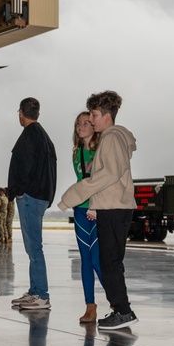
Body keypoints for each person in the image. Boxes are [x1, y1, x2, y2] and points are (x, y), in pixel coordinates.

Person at [59, 91, 139, 330]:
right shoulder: (111, 137)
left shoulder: (112, 138)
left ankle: (123, 312)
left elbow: (109, 174)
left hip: (113, 207)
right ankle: (121, 310)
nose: (91, 120)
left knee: (110, 262)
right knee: (109, 261)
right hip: (112, 206)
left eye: (93, 115)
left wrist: (74, 194)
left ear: (106, 115)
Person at [7, 97, 58, 311]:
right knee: (32, 248)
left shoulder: (30, 136)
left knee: (34, 248)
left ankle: (42, 295)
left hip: (30, 197)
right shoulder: (43, 136)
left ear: (21, 113)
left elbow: (25, 167)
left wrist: (19, 192)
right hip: (40, 197)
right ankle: (35, 291)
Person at [69, 112, 105, 324]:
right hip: (81, 211)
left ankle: (118, 304)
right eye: (78, 123)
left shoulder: (102, 151)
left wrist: (95, 205)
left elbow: (102, 181)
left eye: (86, 123)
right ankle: (90, 307)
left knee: (97, 260)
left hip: (97, 210)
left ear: (94, 126)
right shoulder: (76, 152)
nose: (81, 126)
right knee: (85, 261)